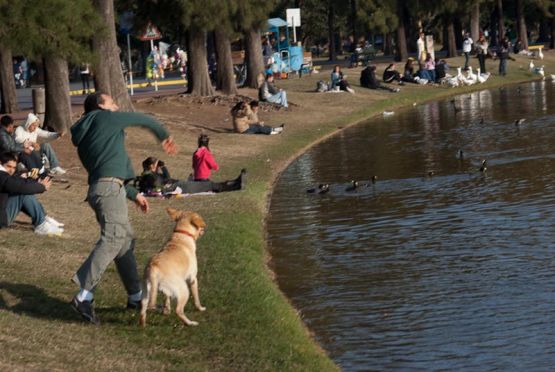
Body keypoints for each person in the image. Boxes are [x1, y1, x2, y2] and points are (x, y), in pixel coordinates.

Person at [69, 92, 178, 325]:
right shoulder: (103, 118)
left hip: (107, 189)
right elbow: (143, 119)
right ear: (100, 105)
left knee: (125, 241)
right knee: (114, 238)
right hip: (108, 190)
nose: (116, 106)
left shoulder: (90, 131)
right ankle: (84, 295)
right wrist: (163, 136)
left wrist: (133, 194)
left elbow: (109, 170)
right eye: (112, 102)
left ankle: (136, 296)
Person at [0, 151, 64, 235]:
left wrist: (34, 182)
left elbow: (16, 183)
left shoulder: (5, 176)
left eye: (14, 167)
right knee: (22, 194)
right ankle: (41, 224)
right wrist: (41, 187)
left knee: (21, 193)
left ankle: (43, 219)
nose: (11, 170)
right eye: (9, 166)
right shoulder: (2, 177)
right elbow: (19, 186)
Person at [138, 156, 245, 195]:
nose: (158, 166)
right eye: (157, 165)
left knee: (207, 184)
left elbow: (167, 177)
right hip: (179, 187)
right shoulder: (150, 176)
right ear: (152, 166)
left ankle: (235, 183)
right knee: (209, 185)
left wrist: (163, 166)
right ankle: (236, 185)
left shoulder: (151, 174)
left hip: (179, 184)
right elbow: (161, 184)